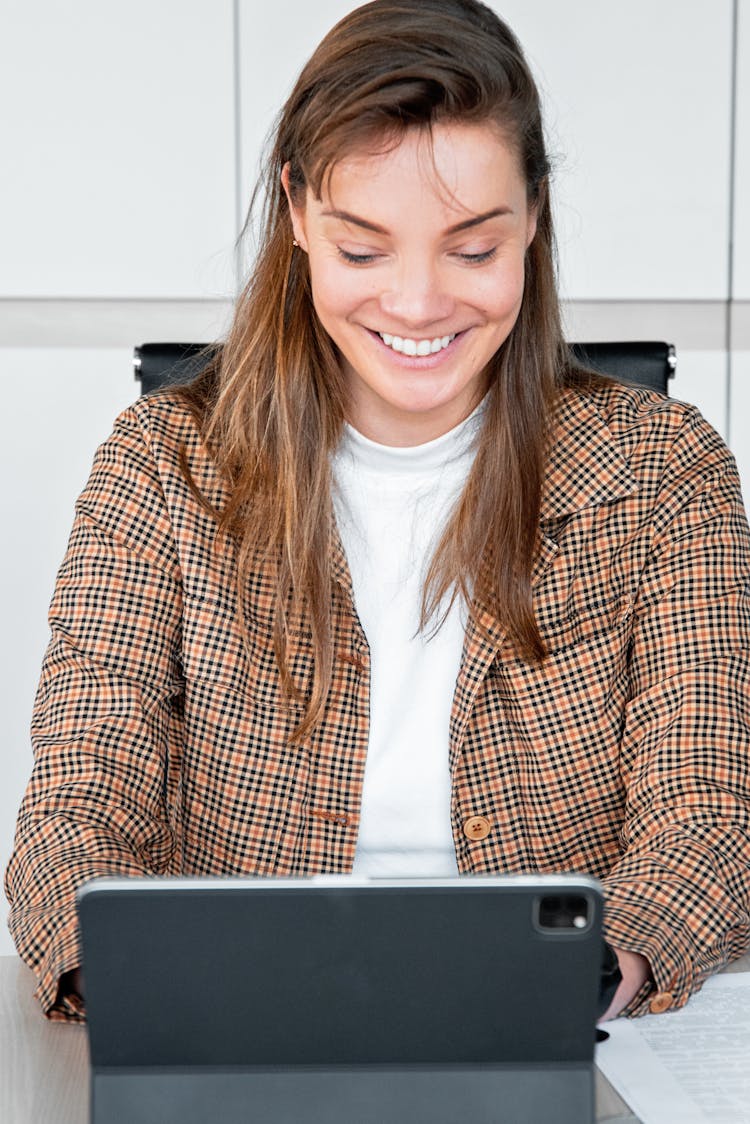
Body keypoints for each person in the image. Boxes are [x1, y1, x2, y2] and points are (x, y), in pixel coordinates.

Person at [5, 0, 750, 1025]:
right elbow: (75, 812)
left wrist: (595, 971)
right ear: (299, 214)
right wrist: (138, 982)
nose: (415, 303)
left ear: (534, 215)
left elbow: (709, 812)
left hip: (552, 1031)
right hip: (242, 1030)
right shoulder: (160, 467)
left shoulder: (665, 473)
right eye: (363, 251)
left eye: (472, 250)